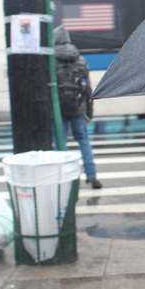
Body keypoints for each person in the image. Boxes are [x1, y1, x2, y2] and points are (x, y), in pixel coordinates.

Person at [53, 26, 102, 189]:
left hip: (58, 109)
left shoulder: (51, 60)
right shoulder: (80, 60)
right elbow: (87, 88)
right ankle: (92, 175)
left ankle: (64, 177)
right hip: (78, 108)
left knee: (60, 142)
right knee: (83, 141)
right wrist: (89, 112)